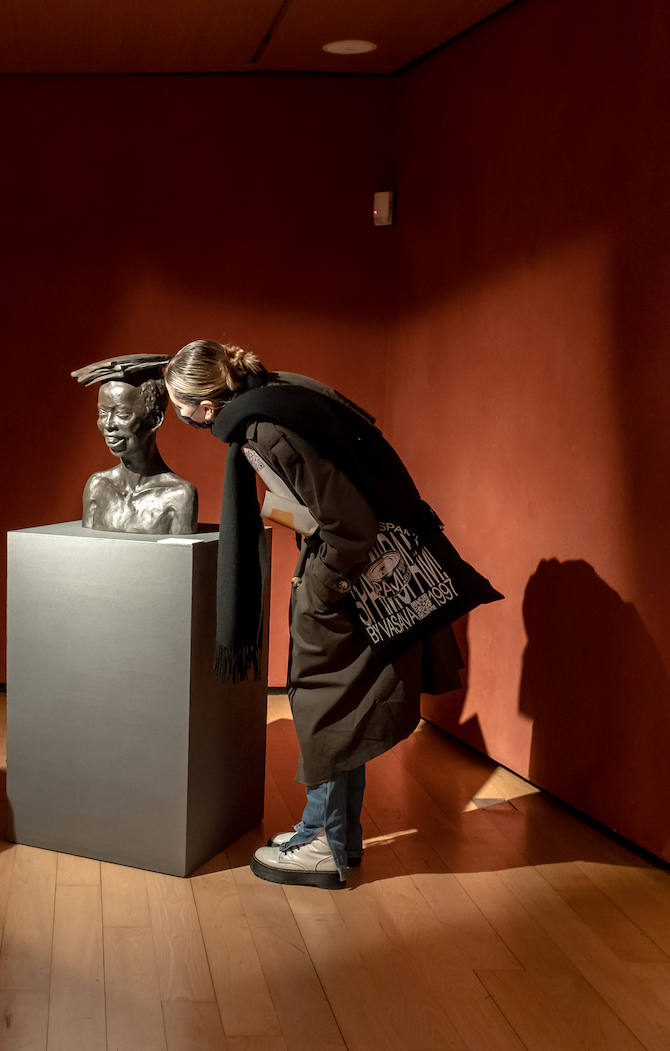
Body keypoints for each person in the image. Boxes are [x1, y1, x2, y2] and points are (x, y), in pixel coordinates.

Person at [164, 339, 499, 889]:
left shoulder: (263, 431)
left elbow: (350, 526)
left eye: (181, 408)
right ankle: (333, 836)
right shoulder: (278, 392)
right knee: (342, 704)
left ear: (205, 408)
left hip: (350, 582)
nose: (181, 418)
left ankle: (322, 844)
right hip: (365, 570)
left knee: (323, 704)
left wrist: (319, 589)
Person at [72, 354, 197, 534]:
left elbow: (181, 559)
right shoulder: (97, 487)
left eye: (122, 415)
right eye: (103, 413)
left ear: (154, 419)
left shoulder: (179, 497)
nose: (109, 424)